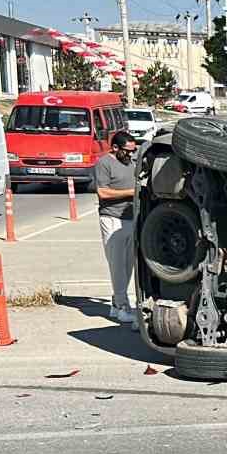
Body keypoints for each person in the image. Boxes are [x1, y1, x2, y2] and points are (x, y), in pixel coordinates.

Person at [95, 131, 140, 328]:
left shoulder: (131, 162)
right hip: (112, 219)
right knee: (117, 265)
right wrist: (132, 193)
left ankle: (116, 301)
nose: (131, 155)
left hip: (132, 219)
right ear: (115, 148)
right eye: (127, 151)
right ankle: (123, 307)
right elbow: (103, 192)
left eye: (133, 151)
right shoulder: (105, 163)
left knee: (128, 264)